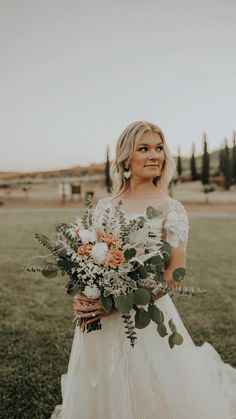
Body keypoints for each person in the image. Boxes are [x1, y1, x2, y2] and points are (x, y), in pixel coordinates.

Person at [50, 121, 236, 419]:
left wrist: (114, 305)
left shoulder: (170, 208)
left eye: (159, 148)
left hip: (144, 322)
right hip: (97, 323)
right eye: (144, 148)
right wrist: (83, 296)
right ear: (126, 157)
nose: (155, 156)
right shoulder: (104, 207)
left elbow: (175, 274)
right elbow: (87, 258)